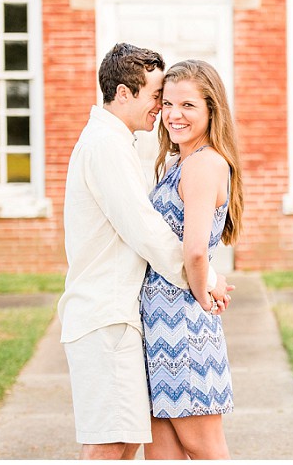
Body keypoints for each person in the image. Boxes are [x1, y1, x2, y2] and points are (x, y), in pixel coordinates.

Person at [58, 44, 233, 460]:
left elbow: (175, 235)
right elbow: (145, 229)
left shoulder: (123, 145)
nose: (163, 109)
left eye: (181, 102)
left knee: (137, 443)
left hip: (152, 322)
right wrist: (207, 278)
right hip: (111, 316)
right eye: (159, 97)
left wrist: (203, 274)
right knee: (113, 443)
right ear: (123, 93)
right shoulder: (107, 145)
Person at [140, 59, 243, 460]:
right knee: (161, 451)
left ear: (211, 110)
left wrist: (203, 294)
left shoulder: (205, 163)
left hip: (183, 328)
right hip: (157, 327)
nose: (173, 115)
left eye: (187, 106)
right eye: (167, 104)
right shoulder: (177, 163)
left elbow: (196, 249)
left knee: (205, 450)